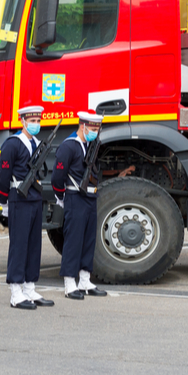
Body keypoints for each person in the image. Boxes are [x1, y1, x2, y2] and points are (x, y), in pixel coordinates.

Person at [0, 105, 55, 310]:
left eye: (38, 121)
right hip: (18, 198)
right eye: (32, 121)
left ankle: (30, 287)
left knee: (33, 245)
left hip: (34, 198)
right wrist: (3, 200)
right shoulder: (13, 143)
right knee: (19, 245)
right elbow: (3, 175)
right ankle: (15, 291)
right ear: (22, 121)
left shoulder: (37, 144)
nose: (36, 125)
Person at [51, 111, 108, 300]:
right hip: (75, 197)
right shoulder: (69, 146)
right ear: (82, 126)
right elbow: (57, 177)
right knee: (73, 241)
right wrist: (61, 196)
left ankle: (85, 280)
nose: (94, 132)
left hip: (90, 197)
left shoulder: (88, 146)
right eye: (92, 128)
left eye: (97, 129)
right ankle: (69, 283)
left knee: (88, 239)